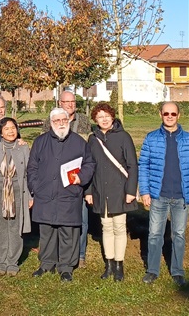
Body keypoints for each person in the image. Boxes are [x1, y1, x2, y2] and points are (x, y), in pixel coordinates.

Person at [28, 107, 95, 282]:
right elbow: (32, 167)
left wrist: (80, 178)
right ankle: (46, 264)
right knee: (47, 231)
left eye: (63, 120)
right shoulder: (40, 142)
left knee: (68, 232)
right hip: (45, 194)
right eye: (56, 121)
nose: (60, 123)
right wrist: (35, 186)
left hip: (69, 195)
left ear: (69, 121)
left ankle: (66, 267)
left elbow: (89, 164)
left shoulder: (79, 142)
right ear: (51, 123)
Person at [84, 102, 138, 282]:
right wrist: (89, 191)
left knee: (119, 227)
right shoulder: (92, 139)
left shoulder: (124, 136)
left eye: (106, 115)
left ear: (112, 117)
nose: (104, 119)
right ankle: (109, 264)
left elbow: (132, 165)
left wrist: (130, 190)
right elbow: (89, 167)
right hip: (100, 189)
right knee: (106, 227)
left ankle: (119, 265)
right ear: (95, 120)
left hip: (120, 190)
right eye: (100, 117)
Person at [139, 101, 189, 286]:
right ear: (160, 114)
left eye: (173, 114)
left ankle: (177, 271)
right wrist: (144, 191)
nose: (169, 116)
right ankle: (152, 270)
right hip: (158, 195)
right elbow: (143, 165)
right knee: (154, 234)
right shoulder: (151, 138)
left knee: (179, 235)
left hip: (181, 197)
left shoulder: (187, 139)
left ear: (178, 116)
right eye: (166, 113)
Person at [42, 90, 91, 267]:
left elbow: (89, 146)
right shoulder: (51, 120)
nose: (71, 105)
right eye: (67, 102)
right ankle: (54, 255)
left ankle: (80, 254)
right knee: (55, 220)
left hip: (77, 178)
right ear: (59, 102)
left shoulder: (84, 121)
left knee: (81, 218)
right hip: (56, 180)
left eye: (73, 102)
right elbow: (44, 143)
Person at [0, 118, 32, 276]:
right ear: (1, 132)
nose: (11, 131)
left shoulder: (24, 148)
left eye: (13, 128)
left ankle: (12, 262)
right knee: (1, 228)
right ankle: (1, 262)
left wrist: (30, 196)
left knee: (16, 227)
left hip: (18, 191)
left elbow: (28, 174)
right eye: (6, 129)